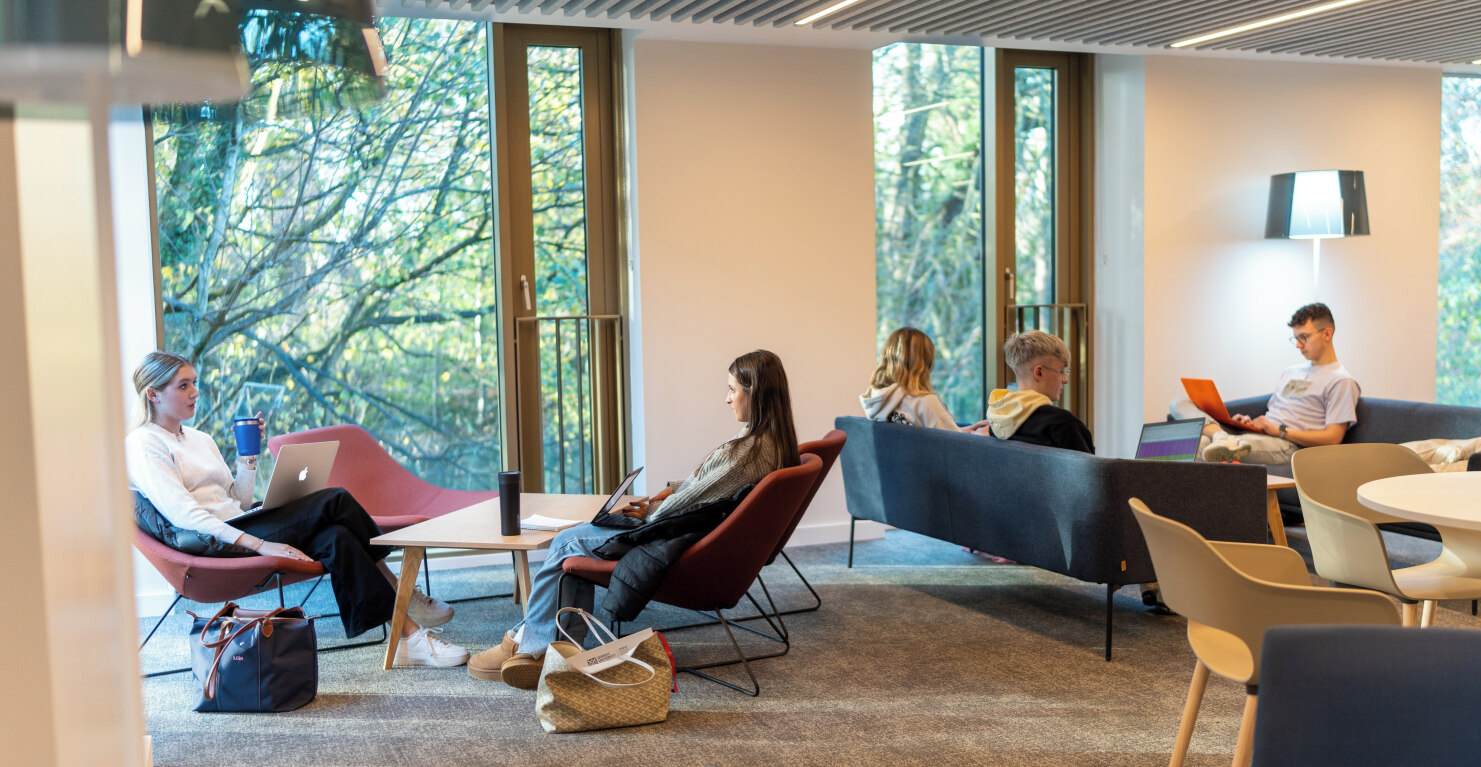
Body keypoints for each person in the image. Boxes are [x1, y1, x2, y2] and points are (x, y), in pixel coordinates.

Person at [469, 349, 800, 688]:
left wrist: (649, 511)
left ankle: (529, 646)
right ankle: (547, 643)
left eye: (733, 389)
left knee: (567, 541)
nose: (727, 399)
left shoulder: (746, 455)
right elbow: (704, 488)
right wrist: (664, 492)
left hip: (677, 542)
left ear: (755, 391)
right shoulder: (771, 445)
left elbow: (686, 504)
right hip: (696, 535)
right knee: (576, 542)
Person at [124, 351, 468, 667]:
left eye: (195, 383)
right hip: (215, 544)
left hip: (239, 524)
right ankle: (402, 592)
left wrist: (248, 457)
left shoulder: (199, 438)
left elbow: (239, 503)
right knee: (335, 499)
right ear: (153, 394)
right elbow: (184, 514)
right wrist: (262, 544)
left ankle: (409, 639)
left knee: (337, 538)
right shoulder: (144, 443)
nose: (195, 392)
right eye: (183, 386)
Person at [1172, 303, 1359, 465]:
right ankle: (1219, 434)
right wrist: (1248, 423)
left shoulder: (1341, 380)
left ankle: (1220, 439)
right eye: (1296, 338)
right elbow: (1274, 413)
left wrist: (1280, 431)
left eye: (1304, 337)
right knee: (1178, 404)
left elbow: (1333, 438)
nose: (1298, 345)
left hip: (1288, 445)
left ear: (1327, 333)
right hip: (1260, 434)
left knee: (1201, 447)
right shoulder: (1291, 372)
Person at [985, 330, 1095, 454]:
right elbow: (1089, 472)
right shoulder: (1063, 425)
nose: (1065, 380)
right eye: (1062, 371)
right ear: (1039, 372)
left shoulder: (996, 421)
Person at [861, 327, 986, 433]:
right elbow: (956, 446)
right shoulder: (924, 402)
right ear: (924, 363)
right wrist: (982, 435)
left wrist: (966, 431)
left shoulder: (876, 399)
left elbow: (941, 435)